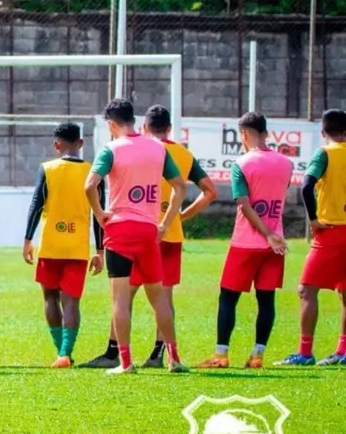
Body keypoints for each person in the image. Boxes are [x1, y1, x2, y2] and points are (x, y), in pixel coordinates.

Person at [84, 99, 189, 375]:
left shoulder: (111, 149)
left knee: (120, 299)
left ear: (111, 124)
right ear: (135, 119)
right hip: (148, 230)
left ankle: (126, 362)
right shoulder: (157, 148)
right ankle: (174, 358)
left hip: (120, 229)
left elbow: (89, 185)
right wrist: (166, 222)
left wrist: (99, 214)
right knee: (159, 299)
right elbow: (179, 186)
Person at [196, 112, 291, 369]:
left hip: (247, 242)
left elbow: (245, 206)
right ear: (265, 132)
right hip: (275, 243)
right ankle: (257, 355)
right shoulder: (286, 164)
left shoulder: (242, 164)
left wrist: (266, 233)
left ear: (245, 134)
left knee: (228, 298)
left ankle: (221, 355)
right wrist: (273, 234)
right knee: (266, 300)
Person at [23, 122, 105, 368]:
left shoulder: (47, 169)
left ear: (56, 145)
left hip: (51, 244)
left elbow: (36, 204)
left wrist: (28, 239)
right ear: (80, 144)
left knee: (50, 297)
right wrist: (99, 250)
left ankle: (60, 351)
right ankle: (65, 353)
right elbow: (99, 213)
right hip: (78, 246)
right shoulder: (93, 171)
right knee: (71, 301)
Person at [277, 109, 346, 366]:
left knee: (306, 290)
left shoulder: (325, 153)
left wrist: (314, 219)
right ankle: (342, 351)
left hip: (331, 231)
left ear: (323, 132)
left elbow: (306, 185)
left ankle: (305, 353)